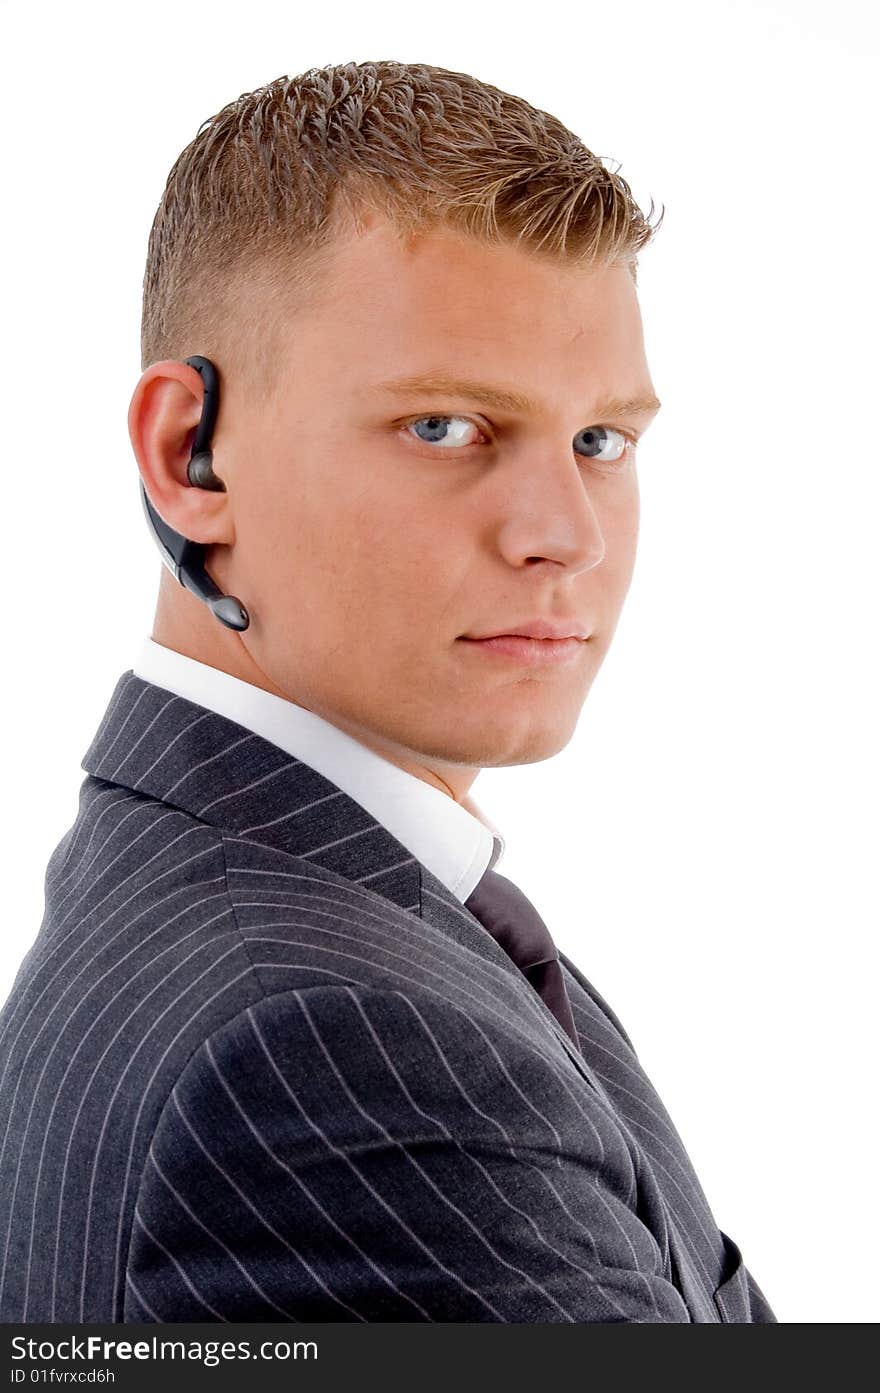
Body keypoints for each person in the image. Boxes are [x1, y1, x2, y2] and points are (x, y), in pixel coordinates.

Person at [0, 59, 776, 1324]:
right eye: (446, 427)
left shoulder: (374, 917)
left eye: (600, 442)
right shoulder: (330, 1041)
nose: (563, 534)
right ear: (186, 457)